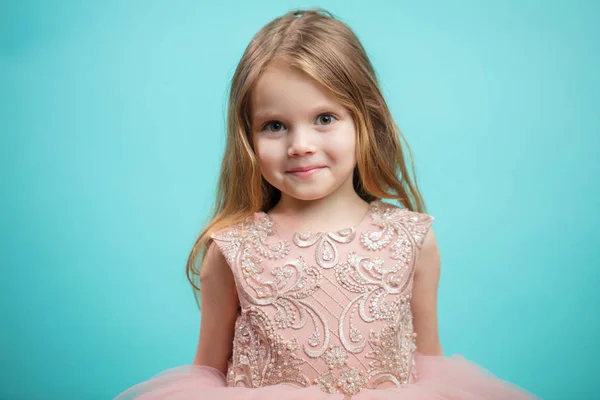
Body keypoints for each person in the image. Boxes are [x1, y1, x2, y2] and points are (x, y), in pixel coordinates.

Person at [115, 8, 539, 400]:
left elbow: (431, 368)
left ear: (365, 120)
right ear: (248, 137)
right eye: (275, 125)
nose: (300, 145)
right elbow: (206, 374)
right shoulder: (232, 251)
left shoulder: (412, 240)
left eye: (324, 118)